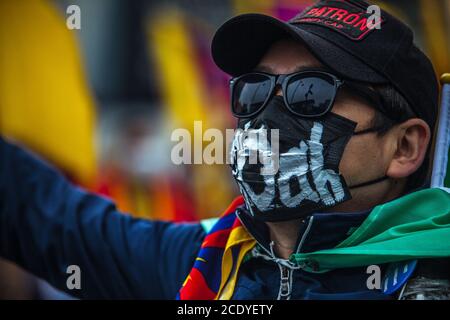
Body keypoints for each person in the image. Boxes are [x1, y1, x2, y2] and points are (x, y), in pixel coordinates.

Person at [1, 0, 449, 300]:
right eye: (254, 90)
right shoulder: (208, 259)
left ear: (404, 147)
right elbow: (49, 219)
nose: (269, 116)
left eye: (309, 92)